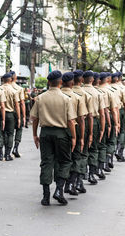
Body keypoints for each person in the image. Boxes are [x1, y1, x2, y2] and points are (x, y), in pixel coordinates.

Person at [30, 70, 77, 206]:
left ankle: (46, 196)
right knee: (64, 161)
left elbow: (34, 118)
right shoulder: (66, 99)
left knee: (46, 162)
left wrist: (34, 134)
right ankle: (58, 190)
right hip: (61, 134)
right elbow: (70, 121)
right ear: (61, 82)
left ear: (49, 82)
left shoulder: (40, 98)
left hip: (45, 133)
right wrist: (73, 137)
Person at [61, 72, 87, 196]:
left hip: (57, 128)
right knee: (76, 156)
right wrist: (81, 137)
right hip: (73, 127)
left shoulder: (53, 95)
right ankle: (72, 183)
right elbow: (81, 119)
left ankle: (59, 187)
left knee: (61, 158)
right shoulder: (77, 97)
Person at [71, 70, 93, 193]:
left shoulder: (64, 92)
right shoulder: (85, 95)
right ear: (81, 80)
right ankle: (78, 181)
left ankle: (67, 183)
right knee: (81, 154)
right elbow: (88, 116)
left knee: (67, 156)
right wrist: (89, 134)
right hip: (79, 126)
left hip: (65, 127)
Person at [82, 71, 105, 184]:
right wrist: (103, 128)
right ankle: (91, 173)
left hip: (78, 121)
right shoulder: (98, 93)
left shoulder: (78, 92)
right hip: (94, 121)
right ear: (92, 80)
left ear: (82, 79)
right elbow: (102, 112)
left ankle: (82, 174)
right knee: (94, 148)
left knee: (81, 149)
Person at [98, 72, 119, 172]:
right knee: (110, 140)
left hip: (95, 118)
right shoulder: (111, 91)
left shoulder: (96, 90)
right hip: (107, 116)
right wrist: (116, 123)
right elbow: (114, 109)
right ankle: (106, 161)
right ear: (107, 79)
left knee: (98, 142)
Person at [0, 73, 21, 161]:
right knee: (10, 134)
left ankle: (0, 153)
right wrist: (19, 118)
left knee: (2, 133)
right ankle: (7, 154)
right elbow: (17, 105)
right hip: (10, 113)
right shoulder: (13, 91)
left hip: (0, 113)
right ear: (10, 80)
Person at [111, 72, 125, 162]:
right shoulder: (124, 89)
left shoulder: (108, 87)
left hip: (109, 111)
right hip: (120, 110)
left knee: (112, 132)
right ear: (120, 78)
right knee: (122, 131)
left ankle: (110, 155)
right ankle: (120, 151)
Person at [10, 71, 25, 157]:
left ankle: (5, 151)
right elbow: (22, 103)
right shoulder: (19, 88)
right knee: (19, 129)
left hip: (8, 111)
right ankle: (15, 148)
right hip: (17, 111)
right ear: (15, 78)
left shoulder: (3, 88)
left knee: (9, 132)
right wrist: (23, 116)